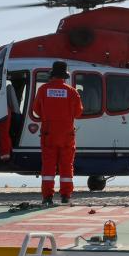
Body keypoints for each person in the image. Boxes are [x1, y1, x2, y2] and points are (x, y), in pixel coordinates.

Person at [33, 61, 82, 205]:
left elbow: (36, 109)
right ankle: (65, 195)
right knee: (66, 165)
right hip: (67, 134)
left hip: (49, 133)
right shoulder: (72, 92)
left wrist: (47, 116)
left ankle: (47, 196)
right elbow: (78, 112)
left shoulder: (43, 90)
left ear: (52, 75)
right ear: (64, 76)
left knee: (48, 165)